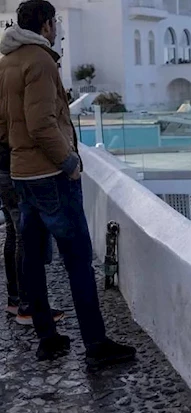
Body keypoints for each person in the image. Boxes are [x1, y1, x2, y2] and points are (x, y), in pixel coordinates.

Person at [0, 0, 135, 368]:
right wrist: (69, 162)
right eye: (54, 21)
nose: (57, 27)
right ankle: (95, 344)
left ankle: (48, 338)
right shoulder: (40, 60)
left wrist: (17, 155)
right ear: (44, 24)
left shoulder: (8, 60)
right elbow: (42, 122)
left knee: (31, 257)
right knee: (77, 260)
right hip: (50, 175)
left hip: (22, 172)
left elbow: (5, 121)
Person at [1, 142, 63, 325]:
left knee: (13, 233)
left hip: (4, 167)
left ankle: (15, 299)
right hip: (14, 167)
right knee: (23, 236)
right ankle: (28, 306)